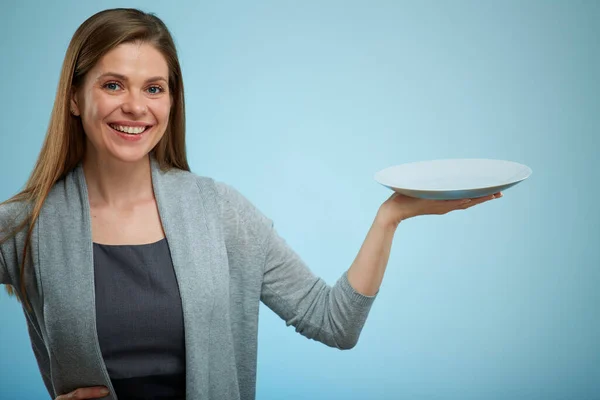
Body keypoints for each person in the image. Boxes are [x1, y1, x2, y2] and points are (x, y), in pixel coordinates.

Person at [0, 8, 501, 400]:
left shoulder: (220, 213)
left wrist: (391, 217)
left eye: (154, 88)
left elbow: (333, 322)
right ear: (74, 97)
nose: (136, 105)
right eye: (113, 85)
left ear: (171, 103)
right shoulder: (28, 226)